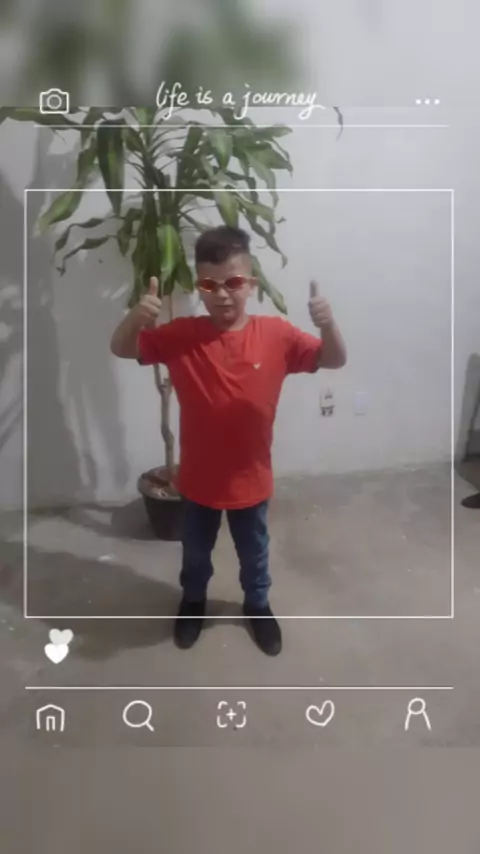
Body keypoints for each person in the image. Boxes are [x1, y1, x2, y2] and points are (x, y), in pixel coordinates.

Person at [110, 226, 347, 655]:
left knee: (254, 553)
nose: (222, 294)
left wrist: (328, 324)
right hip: (197, 482)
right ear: (199, 287)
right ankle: (193, 602)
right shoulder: (182, 335)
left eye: (233, 282)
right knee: (195, 554)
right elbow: (122, 348)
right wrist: (136, 317)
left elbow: (333, 359)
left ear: (251, 283)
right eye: (209, 285)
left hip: (251, 481)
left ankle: (258, 605)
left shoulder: (277, 335)